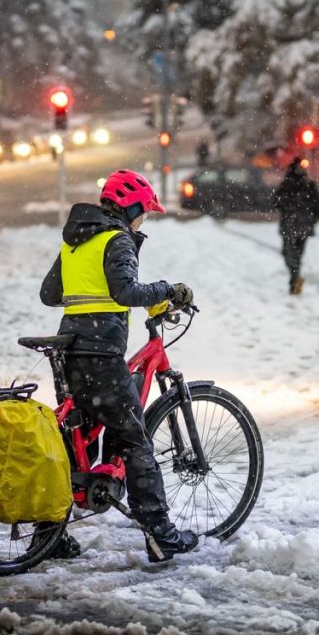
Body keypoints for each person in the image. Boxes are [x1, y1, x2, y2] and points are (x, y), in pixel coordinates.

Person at [39, 169, 199, 563]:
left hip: (70, 349)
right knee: (133, 440)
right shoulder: (117, 238)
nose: (144, 219)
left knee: (77, 440)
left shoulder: (78, 241)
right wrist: (167, 290)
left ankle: (47, 535)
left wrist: (89, 303)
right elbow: (125, 291)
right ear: (130, 206)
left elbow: (51, 294)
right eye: (144, 211)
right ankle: (161, 534)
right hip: (101, 353)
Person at [272, 158, 319, 294]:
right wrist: (311, 220)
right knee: (297, 253)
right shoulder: (308, 185)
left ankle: (295, 278)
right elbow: (318, 206)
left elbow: (276, 202)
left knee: (289, 253)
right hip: (303, 225)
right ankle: (295, 277)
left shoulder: (287, 185)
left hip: (290, 225)